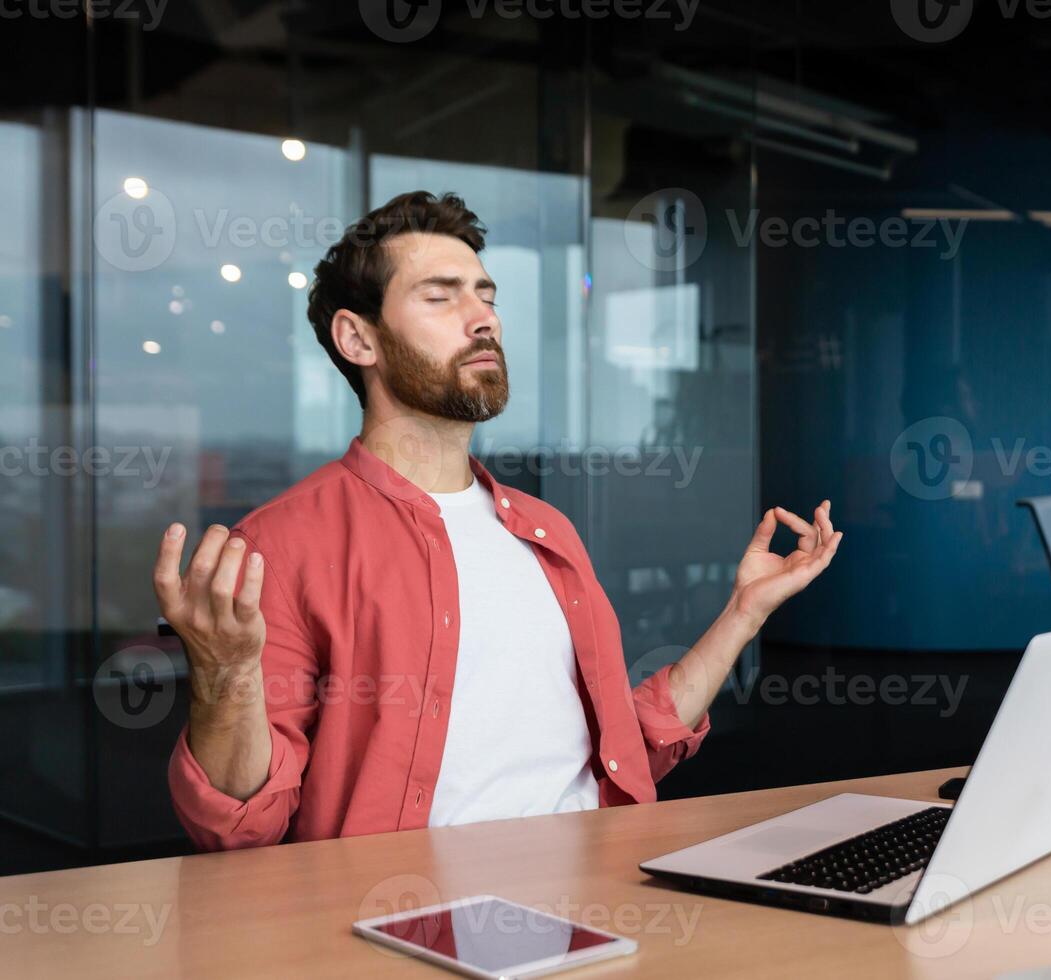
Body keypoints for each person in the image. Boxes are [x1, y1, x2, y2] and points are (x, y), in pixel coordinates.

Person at [153, 191, 841, 850]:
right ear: (358, 339)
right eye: (440, 295)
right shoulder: (281, 547)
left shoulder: (545, 532)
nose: (482, 317)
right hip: (405, 925)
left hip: (597, 902)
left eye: (485, 294)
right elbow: (238, 828)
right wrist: (226, 676)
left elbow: (625, 751)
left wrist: (744, 613)